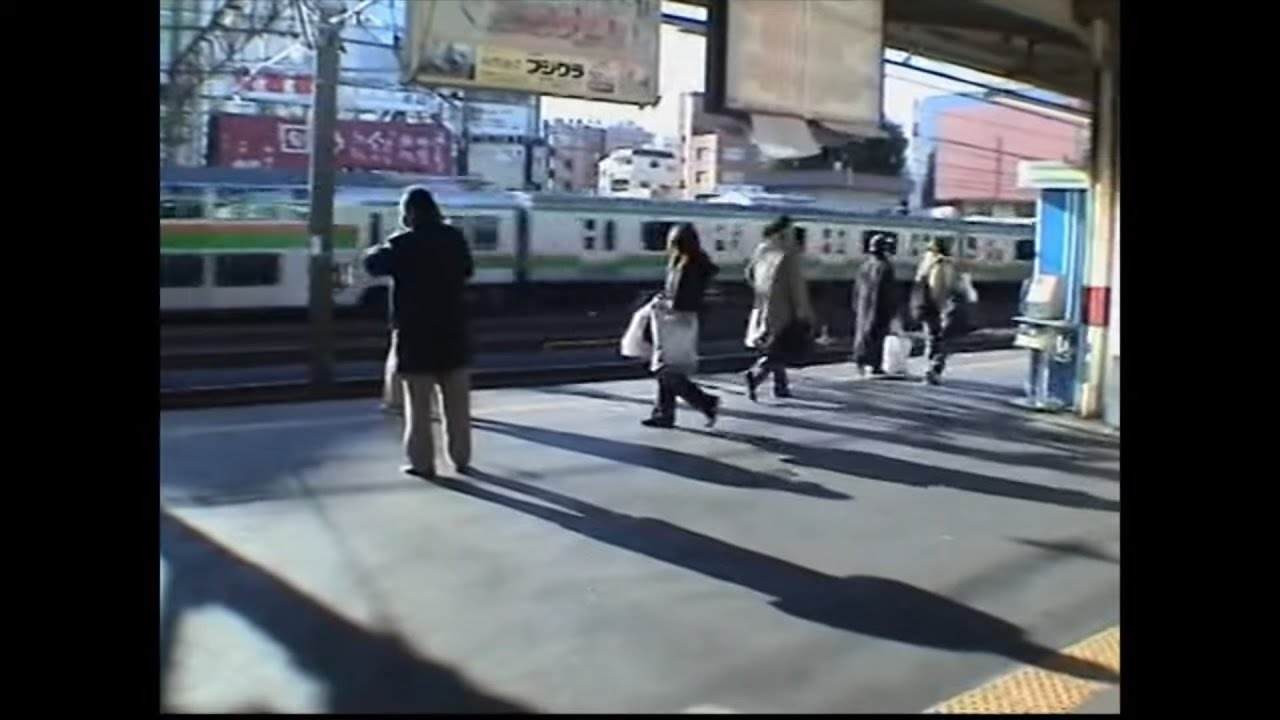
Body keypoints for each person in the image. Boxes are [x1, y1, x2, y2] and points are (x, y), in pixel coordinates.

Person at [363, 187, 474, 479]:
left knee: (418, 407)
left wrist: (385, 243)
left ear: (408, 213)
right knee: (458, 406)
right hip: (453, 332)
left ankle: (422, 463)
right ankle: (461, 458)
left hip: (415, 337)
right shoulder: (454, 238)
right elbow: (467, 270)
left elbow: (372, 265)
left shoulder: (401, 244)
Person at [643, 223, 721, 428]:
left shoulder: (690, 266)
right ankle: (664, 413)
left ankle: (705, 402)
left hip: (679, 321)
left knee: (666, 369)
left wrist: (665, 304)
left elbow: (684, 299)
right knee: (666, 367)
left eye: (672, 241)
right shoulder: (684, 262)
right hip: (677, 320)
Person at [743, 215, 814, 401]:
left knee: (774, 346)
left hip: (763, 306)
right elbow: (796, 286)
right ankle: (755, 376)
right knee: (778, 349)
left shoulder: (762, 250)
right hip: (785, 310)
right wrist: (803, 312)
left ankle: (780, 386)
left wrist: (762, 289)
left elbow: (749, 273)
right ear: (784, 232)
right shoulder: (788, 254)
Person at [911, 236, 964, 385]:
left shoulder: (926, 262)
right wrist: (942, 308)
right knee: (940, 340)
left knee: (932, 339)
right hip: (934, 307)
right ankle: (933, 371)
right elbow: (937, 288)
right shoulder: (940, 263)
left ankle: (930, 369)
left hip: (923, 306)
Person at [851, 233, 899, 376]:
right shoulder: (885, 267)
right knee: (878, 336)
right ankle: (875, 365)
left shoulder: (865, 265)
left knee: (862, 335)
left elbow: (856, 289)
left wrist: (856, 305)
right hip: (879, 307)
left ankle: (860, 361)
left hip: (863, 306)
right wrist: (892, 310)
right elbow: (888, 292)